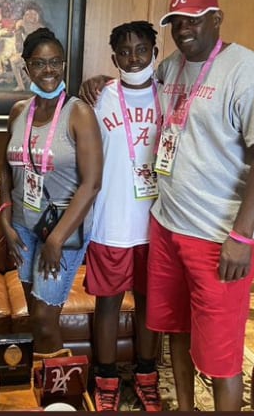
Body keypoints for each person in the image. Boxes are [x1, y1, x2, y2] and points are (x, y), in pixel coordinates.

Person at [82, 0, 254, 411]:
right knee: (175, 330)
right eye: (177, 22)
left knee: (221, 355)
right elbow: (133, 82)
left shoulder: (250, 71)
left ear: (217, 18)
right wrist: (99, 81)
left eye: (195, 18)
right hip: (167, 225)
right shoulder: (172, 67)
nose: (185, 29)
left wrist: (243, 237)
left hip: (217, 235)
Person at [0, 28, 102, 353]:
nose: (49, 71)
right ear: (27, 67)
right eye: (40, 63)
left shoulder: (79, 113)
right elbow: (5, 168)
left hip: (62, 229)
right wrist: (4, 216)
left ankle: (60, 394)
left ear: (63, 65)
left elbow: (92, 183)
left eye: (55, 62)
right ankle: (37, 385)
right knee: (34, 314)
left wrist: (55, 240)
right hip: (23, 227)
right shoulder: (19, 112)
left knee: (45, 318)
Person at [85, 21, 163, 412]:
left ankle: (148, 376)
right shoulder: (99, 97)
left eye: (142, 49)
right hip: (111, 221)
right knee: (109, 305)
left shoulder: (170, 97)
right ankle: (107, 379)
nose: (134, 58)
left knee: (151, 303)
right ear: (114, 58)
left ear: (155, 51)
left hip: (158, 224)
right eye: (125, 52)